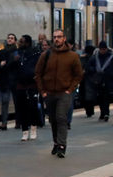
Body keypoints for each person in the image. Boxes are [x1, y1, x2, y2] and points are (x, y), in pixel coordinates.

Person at [35, 29, 83, 158]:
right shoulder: (46, 55)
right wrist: (42, 91)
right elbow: (38, 74)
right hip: (49, 93)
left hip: (64, 92)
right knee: (53, 120)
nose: (57, 39)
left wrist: (70, 89)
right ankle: (56, 142)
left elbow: (78, 75)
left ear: (64, 38)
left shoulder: (72, 56)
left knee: (61, 117)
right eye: (55, 37)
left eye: (59, 37)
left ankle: (62, 145)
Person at [12, 35, 42, 141]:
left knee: (33, 106)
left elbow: (38, 65)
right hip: (20, 83)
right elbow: (12, 66)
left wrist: (36, 75)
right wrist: (14, 61)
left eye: (22, 41)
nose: (20, 43)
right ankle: (24, 131)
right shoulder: (17, 53)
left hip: (32, 83)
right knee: (21, 107)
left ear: (27, 43)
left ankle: (33, 127)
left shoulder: (34, 53)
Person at [84, 41, 113, 122]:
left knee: (106, 97)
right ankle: (103, 112)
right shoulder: (95, 57)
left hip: (107, 80)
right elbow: (88, 67)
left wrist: (111, 73)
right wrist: (93, 70)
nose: (103, 51)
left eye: (104, 49)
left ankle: (105, 113)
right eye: (101, 49)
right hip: (97, 80)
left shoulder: (111, 57)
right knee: (99, 97)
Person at [0, 33, 17, 130]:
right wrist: (0, 66)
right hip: (5, 81)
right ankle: (4, 123)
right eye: (8, 38)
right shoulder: (1, 53)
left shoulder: (17, 52)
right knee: (5, 102)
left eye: (12, 38)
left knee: (17, 102)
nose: (10, 40)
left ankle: (18, 122)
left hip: (16, 81)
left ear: (15, 41)